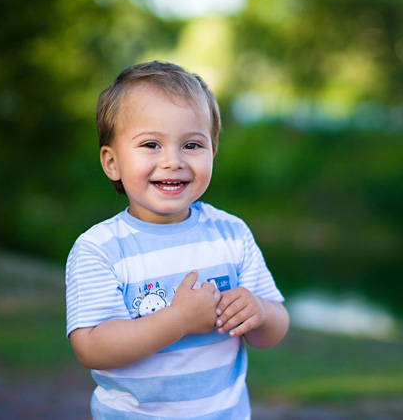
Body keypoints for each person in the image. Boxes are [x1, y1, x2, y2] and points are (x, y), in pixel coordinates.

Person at [65, 60, 289, 419]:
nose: (173, 161)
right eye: (151, 144)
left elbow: (273, 329)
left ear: (213, 151)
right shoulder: (99, 248)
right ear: (112, 163)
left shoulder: (230, 233)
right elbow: (91, 347)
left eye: (192, 145)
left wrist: (260, 312)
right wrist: (178, 320)